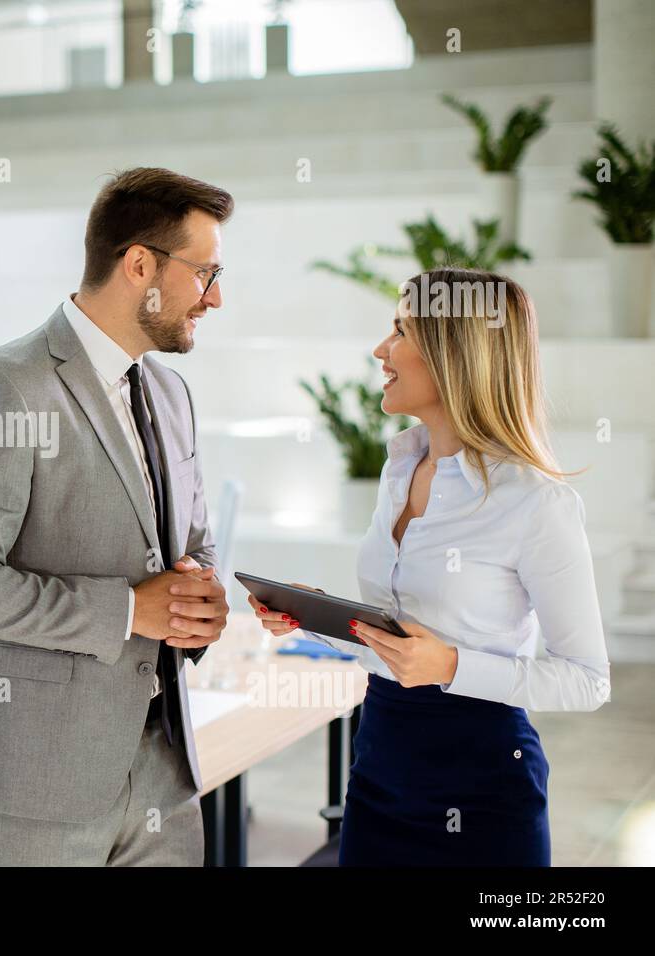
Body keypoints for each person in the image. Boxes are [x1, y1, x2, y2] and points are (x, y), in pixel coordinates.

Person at [0, 167, 233, 866]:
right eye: (205, 274)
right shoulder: (0, 387)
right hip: (34, 777)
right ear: (140, 265)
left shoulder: (171, 392)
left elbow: (194, 546)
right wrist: (127, 611)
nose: (216, 297)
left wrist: (199, 601)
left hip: (163, 768)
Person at [250, 268, 611, 867]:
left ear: (455, 354)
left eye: (400, 330)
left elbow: (587, 679)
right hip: (380, 767)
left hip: (485, 788)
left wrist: (450, 666)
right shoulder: (400, 470)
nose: (379, 350)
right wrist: (312, 615)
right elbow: (399, 641)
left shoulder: (536, 502)